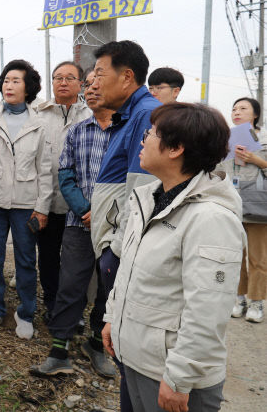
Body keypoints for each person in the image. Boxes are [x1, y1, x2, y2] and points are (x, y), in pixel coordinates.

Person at [102, 103, 246, 412]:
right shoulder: (148, 198)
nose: (143, 140)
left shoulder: (210, 218)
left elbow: (208, 309)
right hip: (138, 358)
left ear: (176, 148)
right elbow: (129, 269)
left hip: (171, 375)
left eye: (150, 134)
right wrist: (112, 318)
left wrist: (180, 378)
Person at [89, 40, 161, 411]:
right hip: (116, 247)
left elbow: (142, 196)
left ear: (127, 76)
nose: (94, 81)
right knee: (126, 354)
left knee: (132, 354)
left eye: (100, 72)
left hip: (122, 250)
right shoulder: (131, 115)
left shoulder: (147, 115)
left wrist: (116, 249)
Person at [31, 71, 116, 377]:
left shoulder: (128, 131)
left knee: (109, 287)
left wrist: (105, 214)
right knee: (70, 284)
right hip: (79, 223)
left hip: (118, 227)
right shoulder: (78, 131)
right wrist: (85, 211)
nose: (91, 91)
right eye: (89, 87)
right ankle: (59, 349)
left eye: (98, 86)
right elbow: (65, 176)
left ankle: (96, 344)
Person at [0, 59, 52, 340]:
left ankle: (25, 313)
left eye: (16, 80)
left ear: (28, 88)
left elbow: (45, 169)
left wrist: (42, 208)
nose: (9, 85)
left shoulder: (39, 124)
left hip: (26, 205)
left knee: (26, 261)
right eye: (6, 80)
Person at [31, 61, 91, 318]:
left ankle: (73, 310)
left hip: (78, 205)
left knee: (75, 262)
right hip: (47, 201)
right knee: (47, 256)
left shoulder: (90, 114)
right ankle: (52, 304)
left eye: (70, 78)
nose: (63, 82)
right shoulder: (37, 114)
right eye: (58, 77)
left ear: (81, 83)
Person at [218, 97, 267, 323]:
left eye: (243, 108)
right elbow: (218, 170)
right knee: (235, 256)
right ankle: (239, 299)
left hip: (258, 205)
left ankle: (257, 301)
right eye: (234, 108)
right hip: (232, 203)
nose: (237, 112)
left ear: (255, 114)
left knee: (258, 258)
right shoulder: (225, 139)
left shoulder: (265, 138)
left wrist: (257, 160)